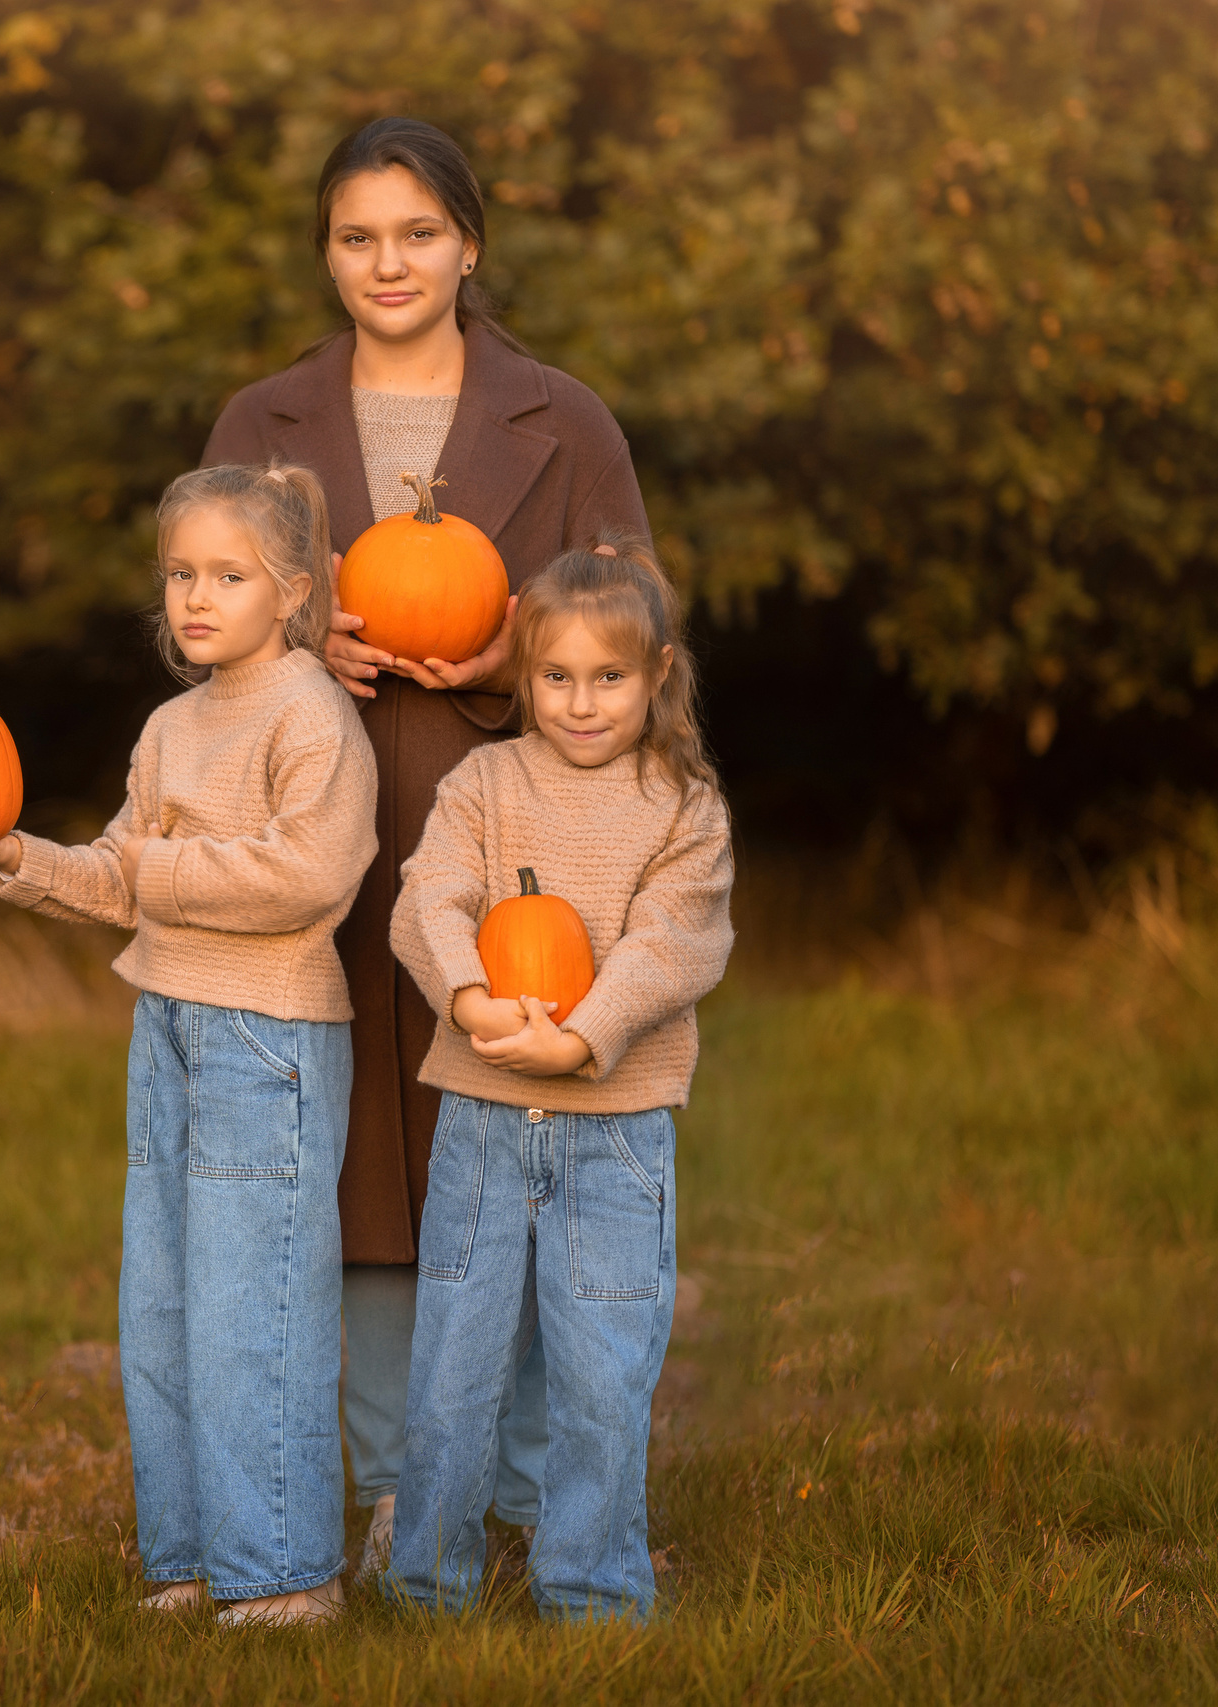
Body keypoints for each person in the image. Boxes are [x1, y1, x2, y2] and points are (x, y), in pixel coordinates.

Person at [201, 115, 652, 1573]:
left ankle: (521, 1482)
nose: (386, 262)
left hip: (519, 846)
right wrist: (287, 640)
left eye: (417, 233)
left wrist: (527, 650)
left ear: (469, 245)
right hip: (319, 845)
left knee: (521, 1138)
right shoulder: (261, 424)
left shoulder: (565, 421)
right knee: (362, 1161)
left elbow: (642, 629)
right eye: (356, 236)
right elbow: (195, 616)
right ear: (324, 251)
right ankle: (404, 1480)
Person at [0, 463, 375, 1628]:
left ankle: (285, 1575)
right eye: (179, 575)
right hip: (165, 1027)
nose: (196, 598)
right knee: (164, 1307)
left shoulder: (312, 715)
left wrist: (154, 871)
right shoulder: (171, 726)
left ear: (295, 591)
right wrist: (12, 855)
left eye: (228, 576)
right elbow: (119, 877)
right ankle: (192, 1559)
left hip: (266, 1039)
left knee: (251, 1308)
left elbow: (308, 875)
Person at [382, 533, 734, 1619]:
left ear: (657, 674)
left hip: (615, 1128)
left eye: (609, 677)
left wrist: (581, 1038)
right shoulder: (485, 783)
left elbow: (673, 943)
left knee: (600, 1374)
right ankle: (426, 1588)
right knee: (454, 1369)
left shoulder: (682, 803)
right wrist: (469, 999)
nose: (581, 704)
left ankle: (592, 1593)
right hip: (484, 1117)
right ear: (523, 673)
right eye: (556, 677)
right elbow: (429, 896)